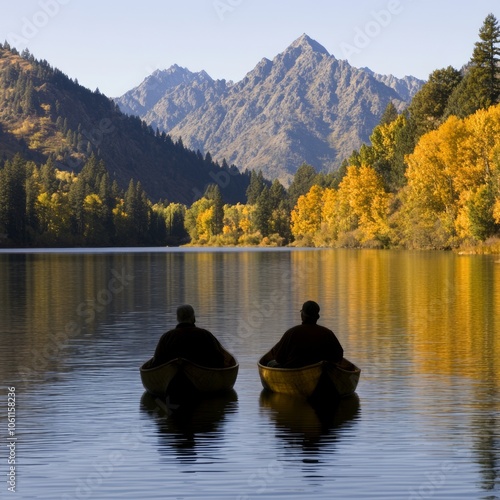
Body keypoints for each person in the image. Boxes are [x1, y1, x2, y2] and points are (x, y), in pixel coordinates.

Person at [268, 300, 344, 368]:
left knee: (270, 364)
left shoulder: (291, 333)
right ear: (317, 317)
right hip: (323, 369)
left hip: (293, 368)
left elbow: (279, 358)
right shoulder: (328, 333)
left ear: (302, 315)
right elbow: (339, 356)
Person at [150, 304, 226, 368]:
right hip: (205, 376)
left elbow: (156, 362)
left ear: (178, 318)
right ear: (193, 318)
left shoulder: (166, 337)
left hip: (173, 380)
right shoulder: (205, 335)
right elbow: (219, 359)